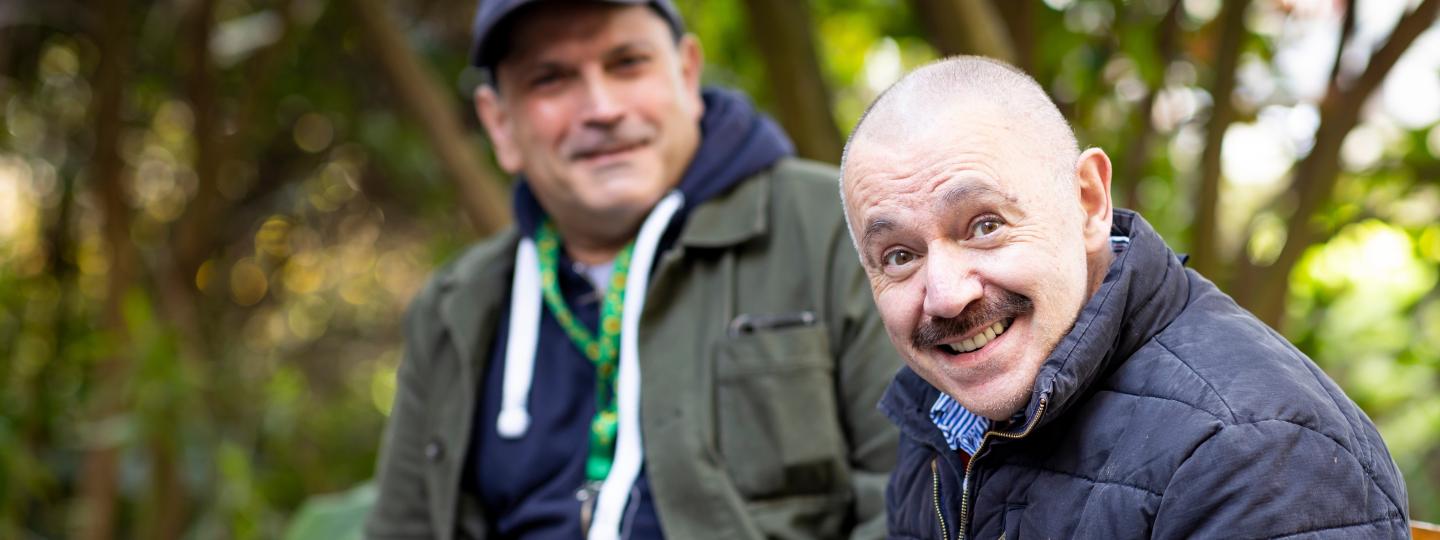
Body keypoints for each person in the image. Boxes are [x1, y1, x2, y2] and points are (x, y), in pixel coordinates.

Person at [365, 1, 901, 538]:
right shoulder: (454, 306)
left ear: (687, 74)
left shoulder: (841, 231)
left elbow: (919, 494)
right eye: (550, 79)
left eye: (627, 64)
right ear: (499, 123)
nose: (601, 108)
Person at [839, 56, 1409, 539]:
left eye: (985, 225)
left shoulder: (1260, 454)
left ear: (1088, 202)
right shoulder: (936, 415)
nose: (944, 296)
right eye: (899, 256)